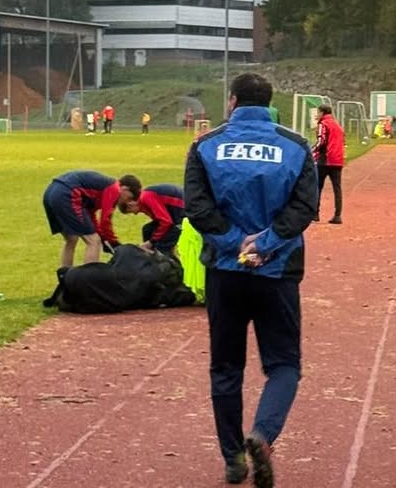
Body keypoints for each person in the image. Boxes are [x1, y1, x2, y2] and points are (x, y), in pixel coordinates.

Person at [184, 72, 318, 488]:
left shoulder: (205, 145)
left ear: (233, 100)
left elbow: (196, 207)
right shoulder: (296, 146)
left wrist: (233, 243)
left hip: (225, 273)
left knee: (225, 368)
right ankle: (262, 435)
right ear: (270, 102)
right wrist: (268, 244)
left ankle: (232, 459)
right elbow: (305, 207)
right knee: (284, 365)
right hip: (276, 273)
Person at [42, 171, 143, 268]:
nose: (126, 202)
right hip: (66, 193)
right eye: (129, 198)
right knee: (94, 241)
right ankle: (88, 280)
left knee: (71, 239)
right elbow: (105, 221)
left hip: (51, 192)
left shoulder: (101, 190)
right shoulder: (114, 188)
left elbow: (90, 216)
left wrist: (104, 238)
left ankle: (64, 276)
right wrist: (113, 243)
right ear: (125, 189)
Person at [119, 183, 185, 257]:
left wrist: (151, 242)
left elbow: (166, 222)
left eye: (130, 211)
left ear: (130, 204)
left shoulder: (146, 197)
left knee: (161, 247)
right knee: (147, 229)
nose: (135, 213)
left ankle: (171, 265)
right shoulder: (143, 204)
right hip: (174, 216)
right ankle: (150, 258)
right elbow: (160, 221)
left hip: (185, 213)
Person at [312, 104, 345, 224]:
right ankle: (338, 215)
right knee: (337, 188)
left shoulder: (323, 124)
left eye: (318, 112)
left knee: (317, 186)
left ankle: (315, 214)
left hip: (325, 159)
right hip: (338, 159)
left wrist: (312, 150)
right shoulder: (337, 125)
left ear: (322, 113)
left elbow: (321, 141)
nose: (317, 114)